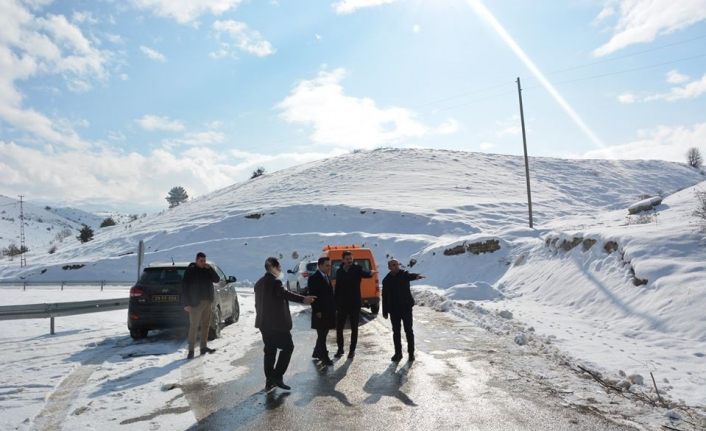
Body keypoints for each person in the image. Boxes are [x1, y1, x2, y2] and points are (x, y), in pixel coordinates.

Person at [255, 257, 316, 391]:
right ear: (273, 267)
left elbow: (257, 305)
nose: (281, 269)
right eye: (279, 267)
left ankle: (270, 380)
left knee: (270, 351)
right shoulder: (275, 282)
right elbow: (285, 294)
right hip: (277, 325)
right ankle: (277, 377)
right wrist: (304, 299)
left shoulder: (258, 283)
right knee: (288, 347)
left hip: (263, 324)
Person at [382, 259, 425, 362]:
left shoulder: (404, 274)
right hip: (394, 310)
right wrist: (384, 311)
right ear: (389, 267)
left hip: (406, 308)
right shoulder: (386, 280)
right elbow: (384, 297)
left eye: (397, 264)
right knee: (396, 332)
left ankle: (411, 354)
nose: (396, 266)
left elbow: (410, 276)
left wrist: (416, 276)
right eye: (393, 265)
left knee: (409, 331)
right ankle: (398, 354)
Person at [334, 250, 373, 359]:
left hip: (354, 304)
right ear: (343, 260)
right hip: (342, 304)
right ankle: (340, 349)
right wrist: (335, 303)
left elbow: (366, 274)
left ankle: (352, 350)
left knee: (354, 328)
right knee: (339, 328)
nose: (350, 260)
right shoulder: (339, 271)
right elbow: (337, 288)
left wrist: (370, 273)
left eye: (351, 258)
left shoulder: (357, 269)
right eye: (347, 259)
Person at [182, 252, 220, 359]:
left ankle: (203, 347)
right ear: (196, 260)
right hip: (195, 303)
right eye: (201, 261)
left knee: (205, 325)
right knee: (193, 327)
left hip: (207, 302)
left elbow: (216, 279)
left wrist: (210, 269)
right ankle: (191, 350)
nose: (203, 263)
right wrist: (186, 304)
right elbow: (184, 287)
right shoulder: (190, 270)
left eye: (204, 260)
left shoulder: (207, 270)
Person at [307, 257, 336, 366]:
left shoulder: (326, 276)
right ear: (320, 266)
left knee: (323, 334)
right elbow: (312, 296)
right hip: (320, 312)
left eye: (330, 265)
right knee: (322, 335)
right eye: (327, 265)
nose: (329, 267)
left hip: (328, 311)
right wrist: (317, 311)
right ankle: (325, 357)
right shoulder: (314, 278)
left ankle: (317, 353)